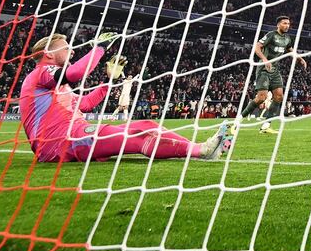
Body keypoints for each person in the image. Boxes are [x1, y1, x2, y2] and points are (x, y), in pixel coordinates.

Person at [19, 33, 232, 163]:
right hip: (58, 143)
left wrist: (108, 81)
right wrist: (100, 48)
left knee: (146, 124)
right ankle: (200, 151)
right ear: (48, 54)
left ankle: (202, 149)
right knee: (136, 139)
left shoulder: (56, 86)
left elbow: (85, 104)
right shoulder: (41, 73)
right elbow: (75, 73)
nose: (72, 52)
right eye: (67, 48)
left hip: (72, 134)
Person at [238, 16, 306, 134]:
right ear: (278, 25)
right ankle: (238, 120)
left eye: (288, 24)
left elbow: (291, 50)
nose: (287, 26)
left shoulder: (287, 38)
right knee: (261, 98)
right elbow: (257, 47)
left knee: (279, 96)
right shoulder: (271, 35)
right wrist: (265, 59)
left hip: (275, 70)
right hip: (264, 69)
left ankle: (266, 125)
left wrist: (300, 59)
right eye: (284, 23)